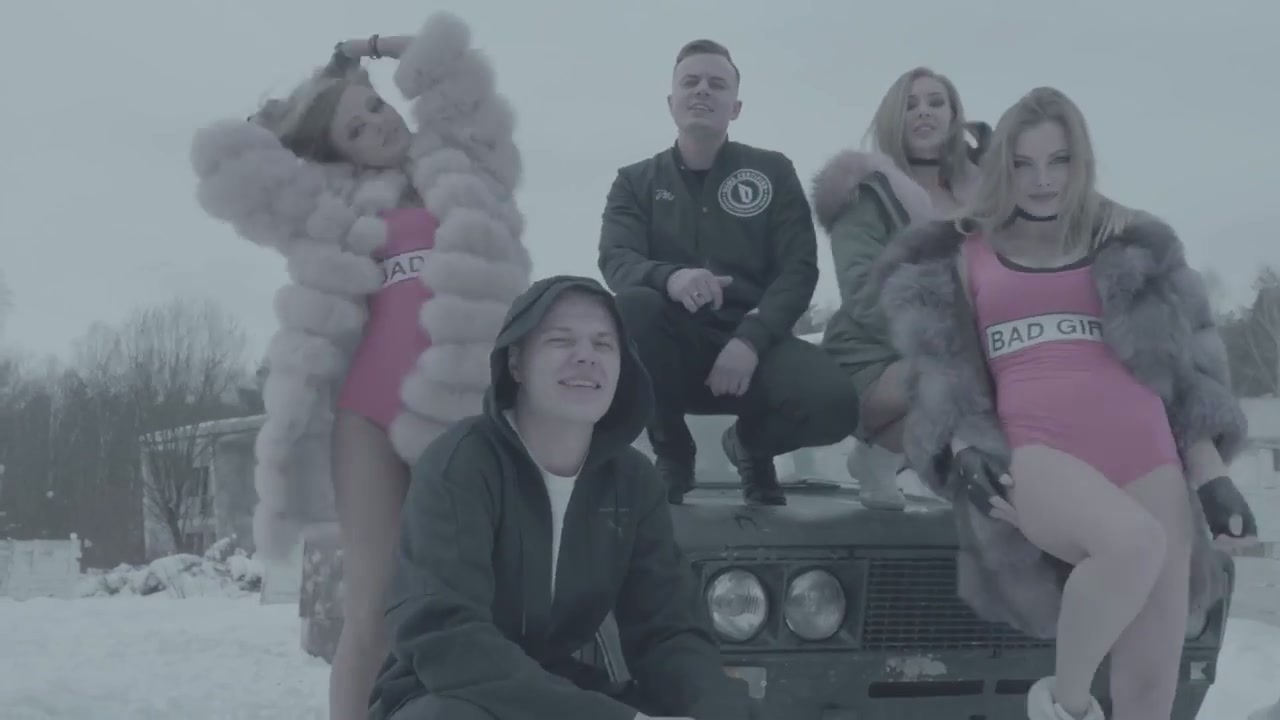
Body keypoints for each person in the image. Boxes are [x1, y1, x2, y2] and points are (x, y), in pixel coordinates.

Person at [874, 86, 1258, 720]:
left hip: (1147, 452)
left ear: (1081, 163)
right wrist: (964, 446)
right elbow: (944, 370)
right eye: (1023, 163)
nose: (1042, 180)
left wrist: (1213, 477)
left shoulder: (1129, 244)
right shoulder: (959, 253)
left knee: (1151, 683)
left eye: (1058, 161)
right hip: (1040, 452)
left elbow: (1178, 372)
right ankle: (1064, 705)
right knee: (1133, 545)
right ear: (1002, 167)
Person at [189, 13, 530, 720]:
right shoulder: (330, 204)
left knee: (481, 595)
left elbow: (455, 73)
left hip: (467, 412)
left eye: (375, 106)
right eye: (354, 127)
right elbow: (230, 162)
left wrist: (364, 51)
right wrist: (293, 113)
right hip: (366, 415)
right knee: (371, 608)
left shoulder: (468, 167)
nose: (377, 123)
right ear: (335, 152)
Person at [368, 275, 754, 720]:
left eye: (603, 344)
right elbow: (444, 635)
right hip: (445, 691)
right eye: (561, 340)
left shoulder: (633, 481)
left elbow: (667, 630)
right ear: (516, 362)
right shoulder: (462, 464)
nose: (586, 355)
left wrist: (715, 708)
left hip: (558, 687)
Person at [598, 39, 859, 506]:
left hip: (755, 347)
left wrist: (750, 340)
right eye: (691, 82)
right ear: (671, 102)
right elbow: (616, 259)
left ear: (735, 107)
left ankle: (749, 446)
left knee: (835, 406)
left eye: (717, 84)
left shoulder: (773, 171)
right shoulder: (634, 182)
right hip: (669, 353)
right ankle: (673, 453)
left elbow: (799, 269)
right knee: (632, 304)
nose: (702, 90)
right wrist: (670, 278)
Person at [810, 67, 989, 510]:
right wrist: (950, 337)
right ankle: (888, 453)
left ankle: (880, 458)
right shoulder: (865, 193)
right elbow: (863, 292)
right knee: (956, 378)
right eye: (910, 105)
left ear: (954, 115)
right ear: (893, 118)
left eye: (935, 102)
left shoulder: (990, 199)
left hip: (967, 353)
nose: (924, 112)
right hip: (871, 354)